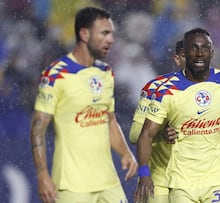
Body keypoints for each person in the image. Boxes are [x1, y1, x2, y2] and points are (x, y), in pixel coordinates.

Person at [29, 7, 138, 203]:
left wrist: (125, 152)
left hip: (108, 182)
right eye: (104, 33)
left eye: (111, 33)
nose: (111, 39)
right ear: (84, 34)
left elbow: (109, 120)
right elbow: (38, 128)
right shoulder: (56, 74)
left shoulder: (105, 72)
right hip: (72, 186)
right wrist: (42, 175)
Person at [135, 27, 220, 203]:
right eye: (194, 48)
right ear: (184, 53)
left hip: (217, 181)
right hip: (181, 184)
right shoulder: (166, 91)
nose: (199, 53)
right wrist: (144, 174)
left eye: (204, 48)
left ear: (212, 52)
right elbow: (145, 134)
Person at [129, 39, 186, 203]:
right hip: (160, 178)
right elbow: (134, 135)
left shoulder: (215, 89)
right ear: (178, 58)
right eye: (187, 54)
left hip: (198, 181)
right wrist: (161, 132)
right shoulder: (155, 88)